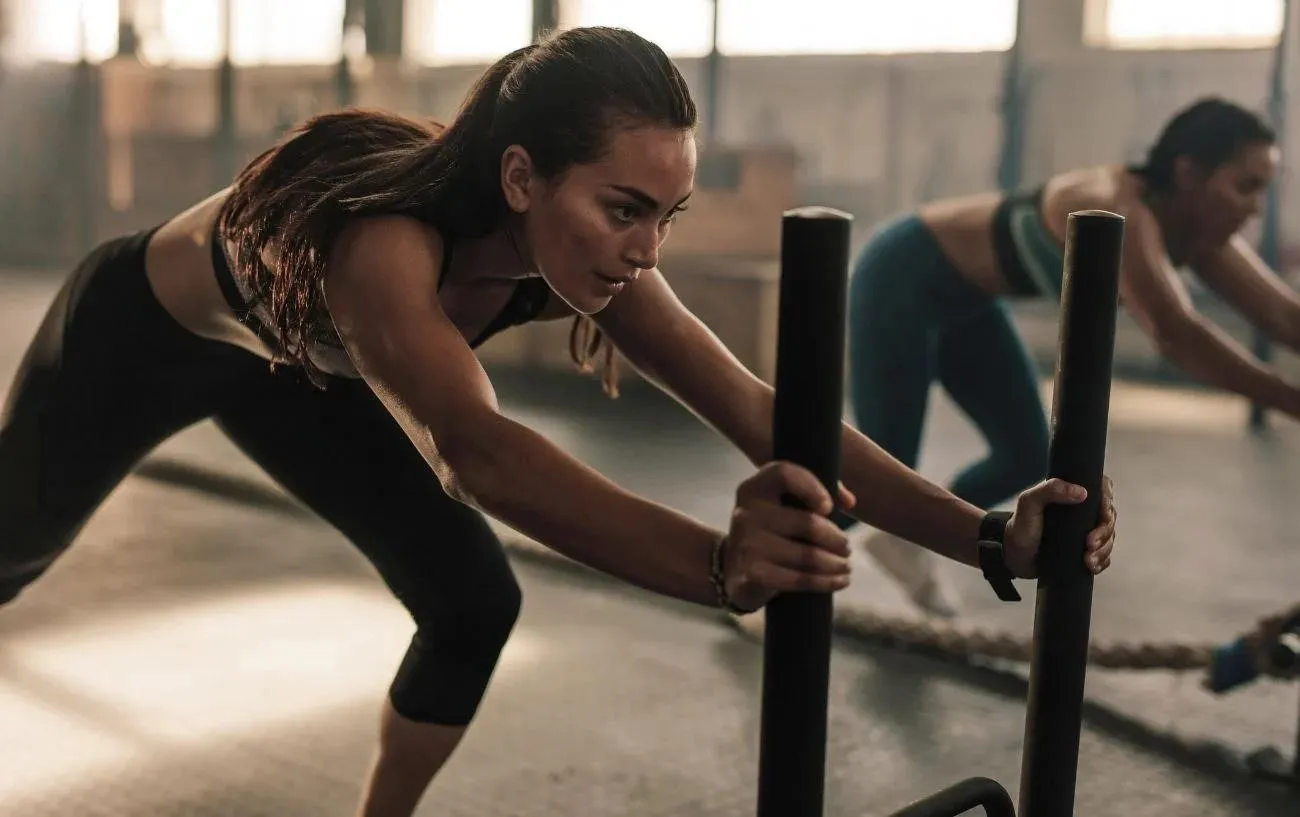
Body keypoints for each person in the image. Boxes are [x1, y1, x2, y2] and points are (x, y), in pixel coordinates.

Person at [0, 26, 1117, 817]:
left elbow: (767, 414)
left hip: (308, 375)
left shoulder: (595, 259)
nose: (644, 250)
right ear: (522, 176)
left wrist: (983, 536)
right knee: (11, 553)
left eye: (664, 217)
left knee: (472, 602)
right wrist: (722, 566)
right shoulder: (385, 239)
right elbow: (475, 450)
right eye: (623, 210)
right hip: (142, 336)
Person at [841, 95, 1287, 619]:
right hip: (901, 276)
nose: (1256, 207)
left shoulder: (1198, 233)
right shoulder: (1115, 202)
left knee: (1028, 453)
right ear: (1189, 173)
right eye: (1245, 186)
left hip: (969, 304)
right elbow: (1177, 333)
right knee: (883, 471)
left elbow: (1286, 319)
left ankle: (911, 536)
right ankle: (774, 583)